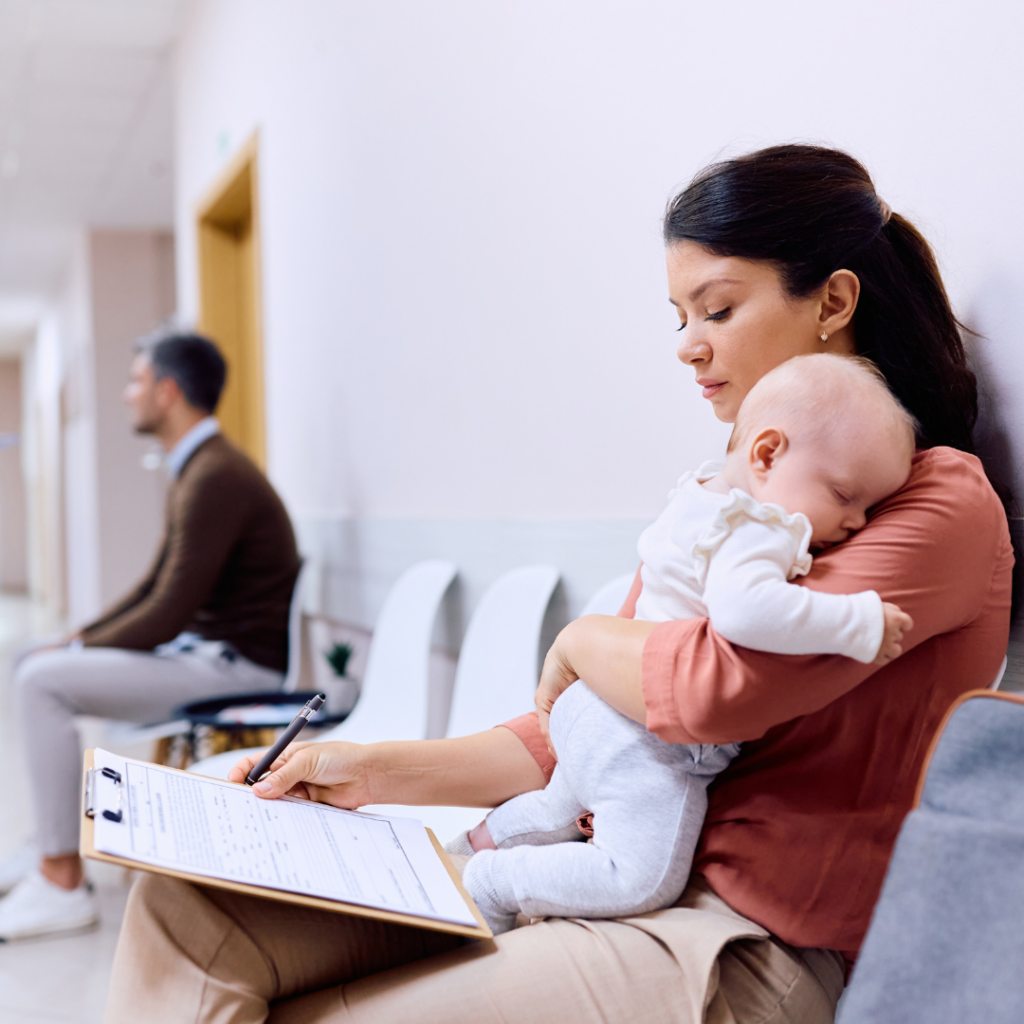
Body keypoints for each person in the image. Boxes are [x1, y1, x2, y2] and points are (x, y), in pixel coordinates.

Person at [103, 146, 1012, 1024]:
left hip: (735, 941)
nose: (689, 349)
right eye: (678, 317)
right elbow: (578, 730)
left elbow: (706, 690)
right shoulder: (725, 495)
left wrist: (581, 642)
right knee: (189, 909)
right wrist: (363, 771)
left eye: (718, 309)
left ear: (835, 300)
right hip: (594, 866)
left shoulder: (936, 502)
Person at [455, 354, 917, 935]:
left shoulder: (702, 492)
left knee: (557, 809)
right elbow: (746, 611)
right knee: (640, 878)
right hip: (648, 741)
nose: (855, 522)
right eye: (845, 495)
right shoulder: (762, 524)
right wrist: (858, 623)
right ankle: (495, 879)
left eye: (867, 508)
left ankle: (477, 842)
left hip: (594, 707)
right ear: (767, 454)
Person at [0, 330, 301, 942]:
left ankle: (60, 878)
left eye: (136, 381)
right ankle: (47, 847)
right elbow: (153, 586)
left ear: (167, 392)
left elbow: (167, 611)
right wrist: (81, 634)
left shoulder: (215, 475)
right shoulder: (200, 467)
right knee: (36, 660)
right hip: (206, 654)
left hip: (234, 670)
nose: (126, 393)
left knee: (39, 681)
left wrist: (80, 648)